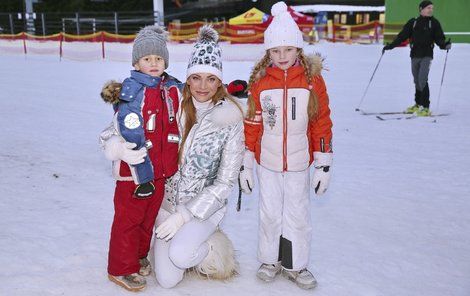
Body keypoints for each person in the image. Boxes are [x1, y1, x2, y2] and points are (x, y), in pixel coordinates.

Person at [239, 1, 333, 290]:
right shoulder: (260, 83)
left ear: (298, 49)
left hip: (298, 163)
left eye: (288, 49)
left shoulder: (311, 81)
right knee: (268, 213)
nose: (282, 56)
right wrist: (246, 161)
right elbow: (252, 123)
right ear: (268, 51)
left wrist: (323, 163)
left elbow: (321, 121)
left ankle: (296, 264)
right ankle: (270, 259)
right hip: (266, 162)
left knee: (297, 214)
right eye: (275, 50)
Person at [152, 25, 243, 288]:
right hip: (166, 207)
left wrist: (184, 215)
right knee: (168, 280)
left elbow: (225, 184)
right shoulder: (172, 106)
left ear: (220, 82)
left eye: (211, 79)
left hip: (202, 210)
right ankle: (178, 241)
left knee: (181, 256)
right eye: (196, 77)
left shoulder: (230, 120)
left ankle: (211, 246)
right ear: (187, 78)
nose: (203, 86)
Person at [99, 25, 181, 292]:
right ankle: (120, 268)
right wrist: (122, 151)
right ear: (137, 62)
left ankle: (137, 256)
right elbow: (119, 128)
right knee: (128, 220)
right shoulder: (132, 91)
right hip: (134, 172)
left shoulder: (170, 88)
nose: (154, 63)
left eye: (158, 59)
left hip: (159, 172)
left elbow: (196, 94)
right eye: (147, 59)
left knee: (147, 219)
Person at [382, 0, 451, 116]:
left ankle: (425, 107)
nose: (431, 10)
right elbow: (402, 36)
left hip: (427, 55)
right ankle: (418, 104)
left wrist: (444, 45)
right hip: (414, 55)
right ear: (421, 9)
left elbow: (439, 38)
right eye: (428, 8)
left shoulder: (434, 23)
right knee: (417, 81)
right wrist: (390, 46)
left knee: (422, 79)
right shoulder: (413, 22)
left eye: (432, 8)